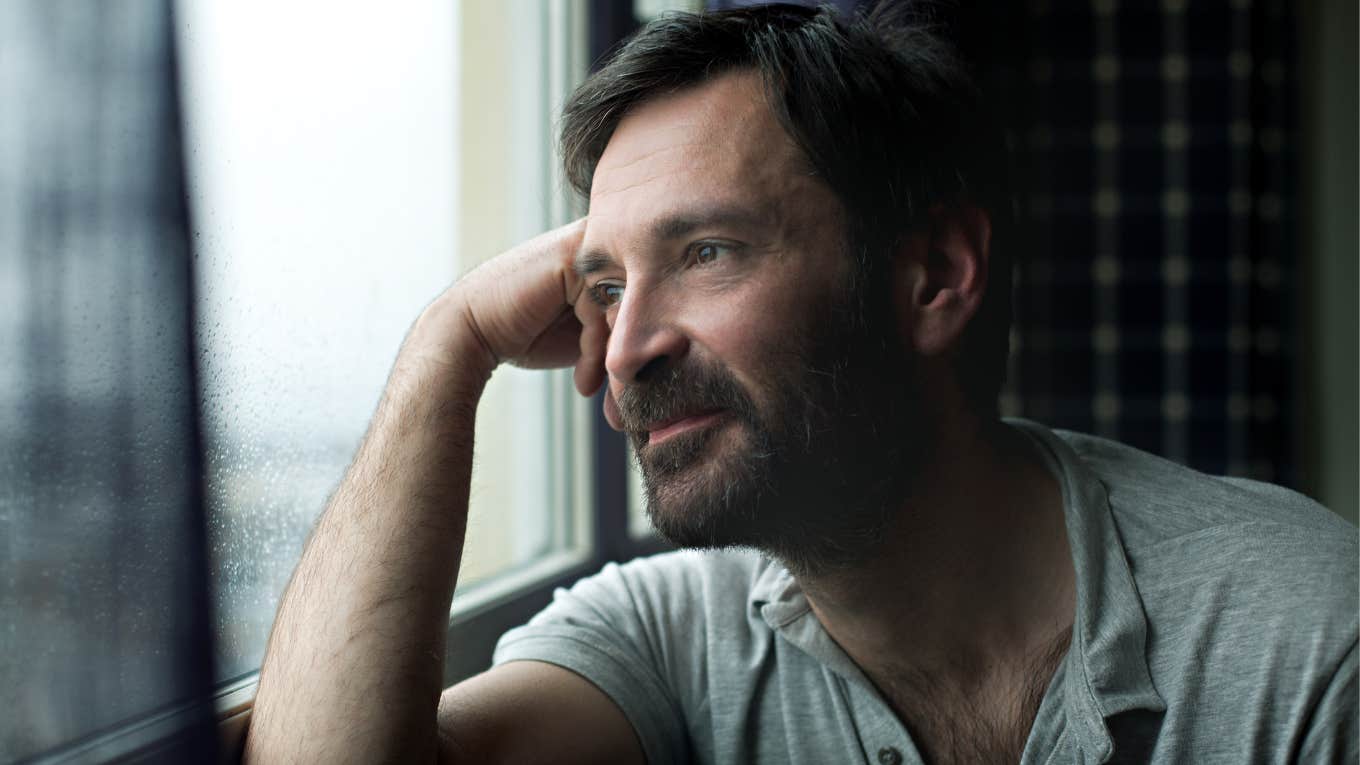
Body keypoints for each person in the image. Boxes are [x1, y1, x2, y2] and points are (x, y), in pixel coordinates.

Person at [242, 4, 1357, 763]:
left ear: (933, 278)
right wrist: (452, 343)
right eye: (602, 284)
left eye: (706, 252)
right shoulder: (670, 640)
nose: (623, 345)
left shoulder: (1306, 640)